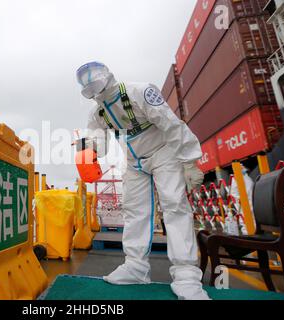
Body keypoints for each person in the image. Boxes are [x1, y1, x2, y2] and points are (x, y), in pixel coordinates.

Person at [76, 62, 209, 300]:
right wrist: (88, 147)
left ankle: (186, 275)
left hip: (164, 153)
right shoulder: (98, 113)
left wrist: (190, 161)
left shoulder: (140, 92)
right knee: (134, 210)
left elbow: (170, 123)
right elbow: (102, 145)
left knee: (174, 206)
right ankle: (135, 267)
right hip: (134, 161)